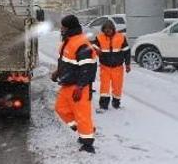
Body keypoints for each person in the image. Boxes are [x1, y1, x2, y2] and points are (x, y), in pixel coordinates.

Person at [51, 14, 98, 154]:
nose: (61, 29)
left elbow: (88, 68)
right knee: (61, 108)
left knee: (82, 115)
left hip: (79, 86)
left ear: (69, 28)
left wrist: (80, 86)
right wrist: (57, 72)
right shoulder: (68, 41)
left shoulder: (81, 44)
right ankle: (84, 129)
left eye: (63, 27)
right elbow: (66, 62)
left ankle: (88, 144)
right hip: (67, 83)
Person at [92, 20, 130, 110]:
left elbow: (127, 51)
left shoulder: (121, 37)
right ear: (103, 29)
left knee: (117, 86)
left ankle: (116, 103)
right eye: (105, 29)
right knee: (104, 87)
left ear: (113, 29)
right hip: (105, 67)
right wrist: (96, 50)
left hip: (118, 68)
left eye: (109, 28)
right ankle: (103, 105)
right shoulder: (99, 38)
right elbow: (94, 47)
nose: (108, 30)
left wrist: (127, 64)